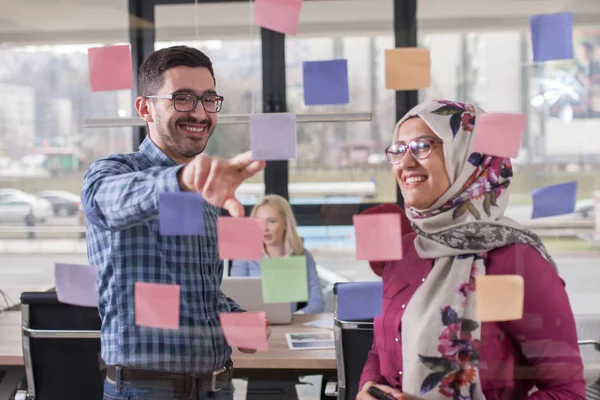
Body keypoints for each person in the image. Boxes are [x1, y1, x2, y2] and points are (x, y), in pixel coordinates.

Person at [357, 100, 586, 400]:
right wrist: (369, 388)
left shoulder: (513, 260)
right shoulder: (403, 254)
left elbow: (565, 391)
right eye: (398, 150)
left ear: (469, 158)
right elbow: (380, 347)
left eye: (423, 146)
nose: (406, 163)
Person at [82, 45, 266, 400]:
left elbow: (198, 292)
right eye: (182, 99)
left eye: (208, 100)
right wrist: (182, 180)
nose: (199, 113)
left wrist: (236, 319)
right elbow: (107, 201)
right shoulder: (115, 172)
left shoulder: (207, 190)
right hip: (144, 390)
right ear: (144, 107)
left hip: (216, 387)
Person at [230, 194, 324, 314]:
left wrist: (295, 317)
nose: (265, 228)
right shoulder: (245, 256)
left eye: (272, 221)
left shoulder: (302, 255)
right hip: (256, 324)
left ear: (285, 223)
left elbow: (317, 302)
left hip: (293, 324)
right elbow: (236, 300)